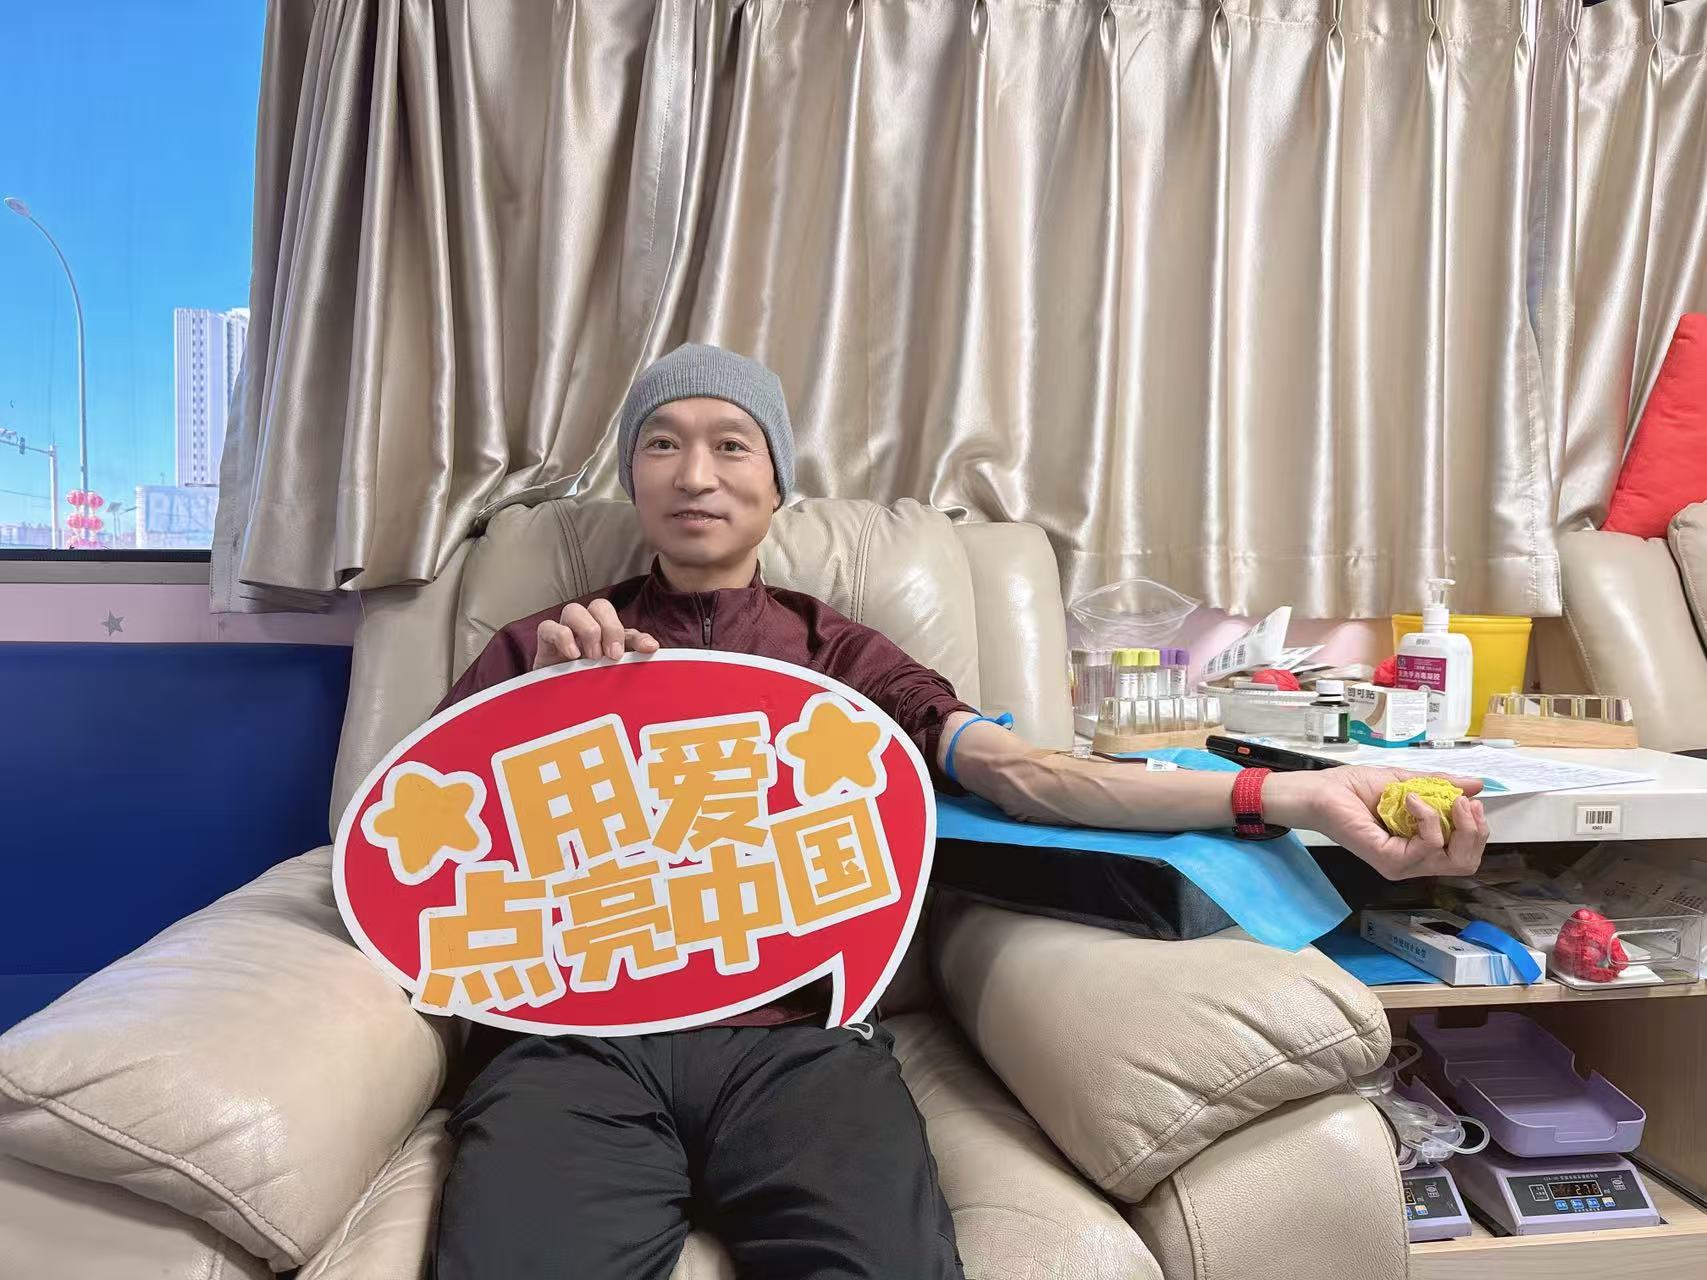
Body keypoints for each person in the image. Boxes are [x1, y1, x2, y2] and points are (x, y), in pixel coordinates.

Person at [432, 343, 1489, 1280]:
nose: (695, 473)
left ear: (776, 483)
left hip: (796, 1039)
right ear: (631, 478)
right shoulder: (544, 648)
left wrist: (1288, 793)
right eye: (661, 443)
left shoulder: (842, 658)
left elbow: (1025, 773)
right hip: (574, 1038)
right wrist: (534, 721)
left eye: (731, 444)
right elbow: (417, 855)